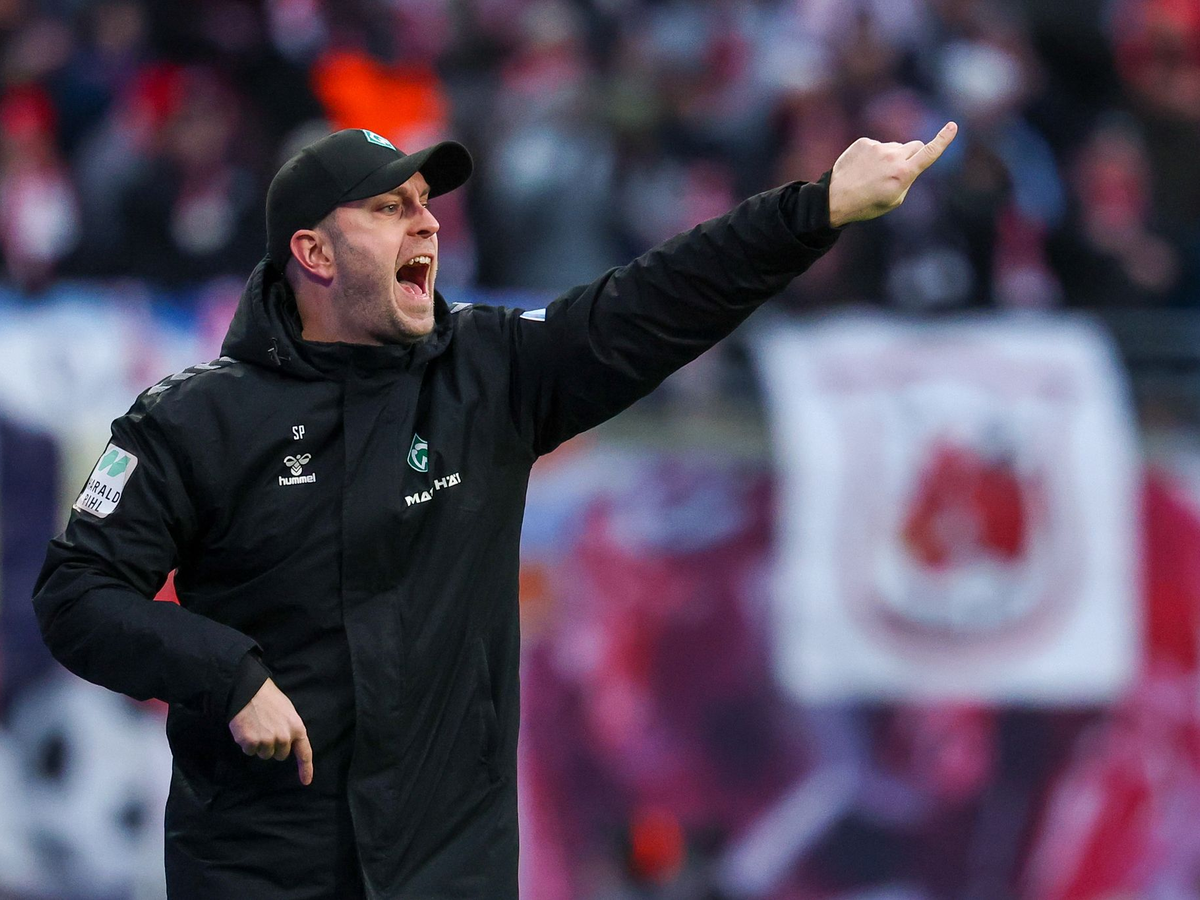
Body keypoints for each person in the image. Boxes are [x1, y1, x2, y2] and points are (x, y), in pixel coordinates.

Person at [32, 121, 957, 898]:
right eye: (389, 208)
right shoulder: (191, 421)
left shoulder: (489, 372)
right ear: (313, 253)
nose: (427, 224)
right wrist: (227, 675)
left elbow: (656, 298)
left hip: (448, 874)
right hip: (258, 873)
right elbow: (77, 593)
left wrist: (814, 210)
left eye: (426, 204)